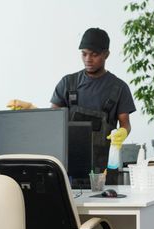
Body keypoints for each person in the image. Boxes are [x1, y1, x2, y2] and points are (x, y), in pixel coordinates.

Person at [51, 27, 136, 182]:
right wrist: (31, 110)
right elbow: (53, 121)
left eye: (94, 54)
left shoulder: (119, 88)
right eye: (84, 53)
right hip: (68, 169)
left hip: (104, 170)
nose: (88, 59)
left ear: (106, 54)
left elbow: (126, 124)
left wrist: (123, 132)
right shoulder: (67, 83)